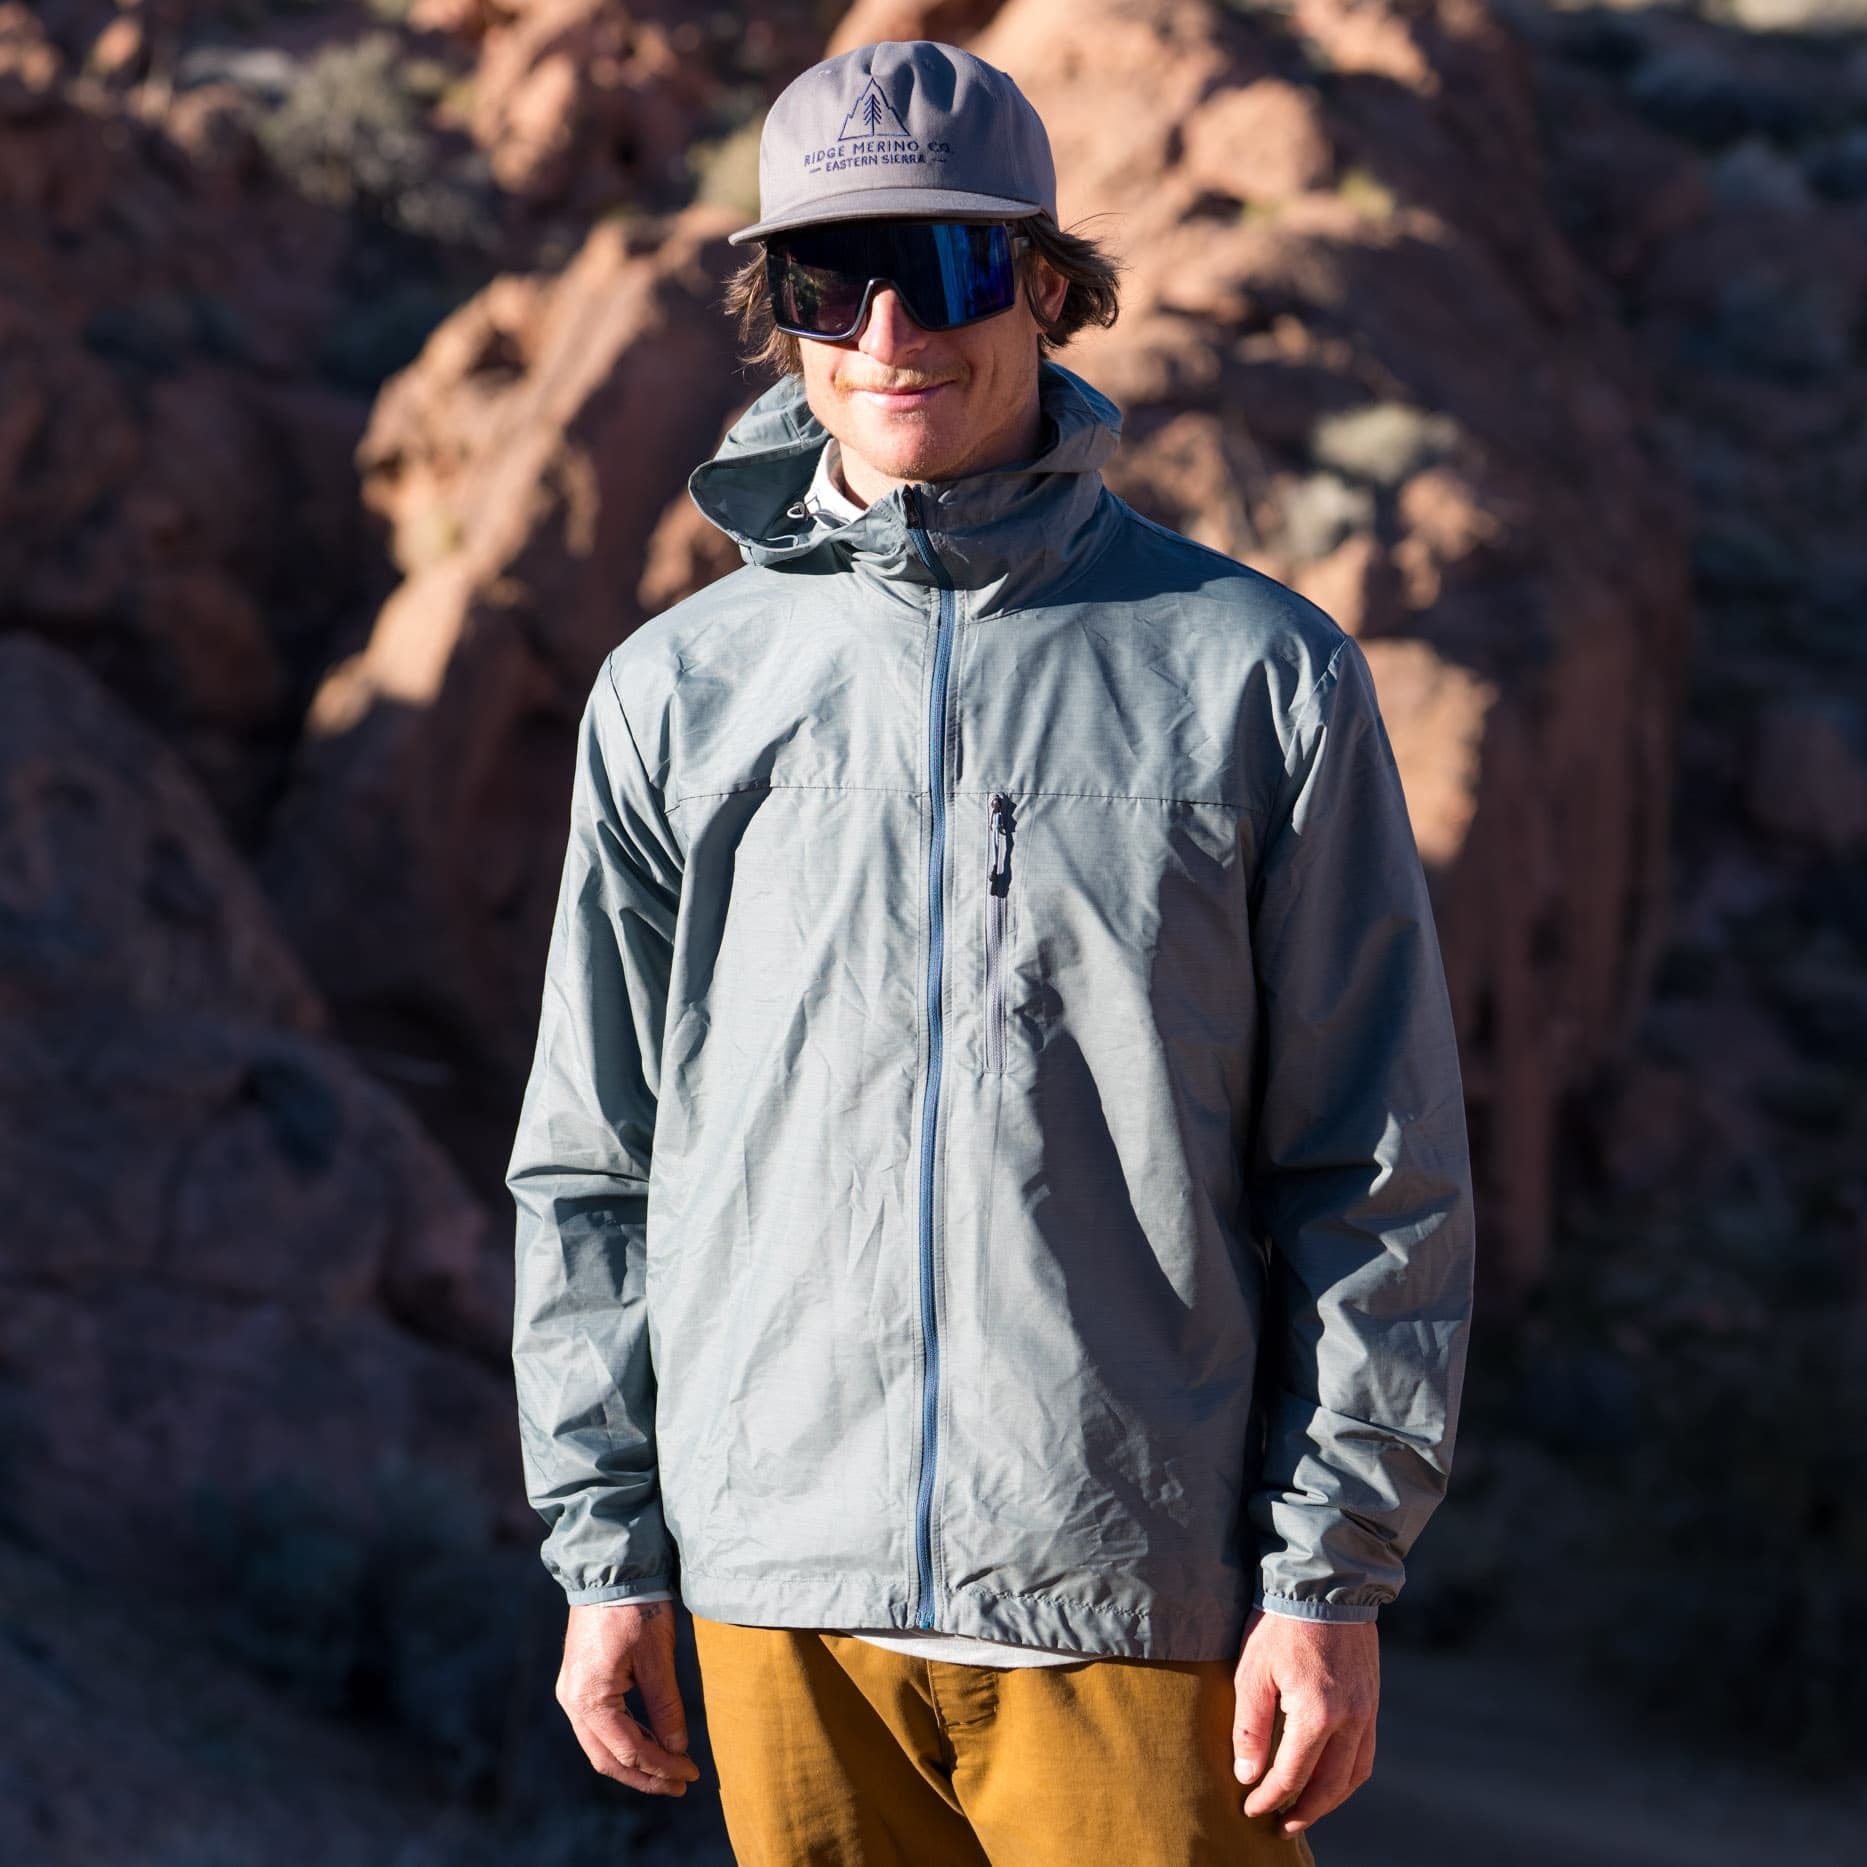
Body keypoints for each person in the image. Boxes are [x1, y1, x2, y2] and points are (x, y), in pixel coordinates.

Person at [506, 37, 1475, 1866]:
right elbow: (595, 1166)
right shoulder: (678, 695)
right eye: (828, 276)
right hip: (779, 1604)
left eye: (945, 267)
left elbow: (1374, 1161)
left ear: (1041, 282)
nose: (889, 329)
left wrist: (1329, 1576)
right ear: (776, 305)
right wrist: (605, 1551)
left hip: (1138, 1607)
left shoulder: (1252, 673)